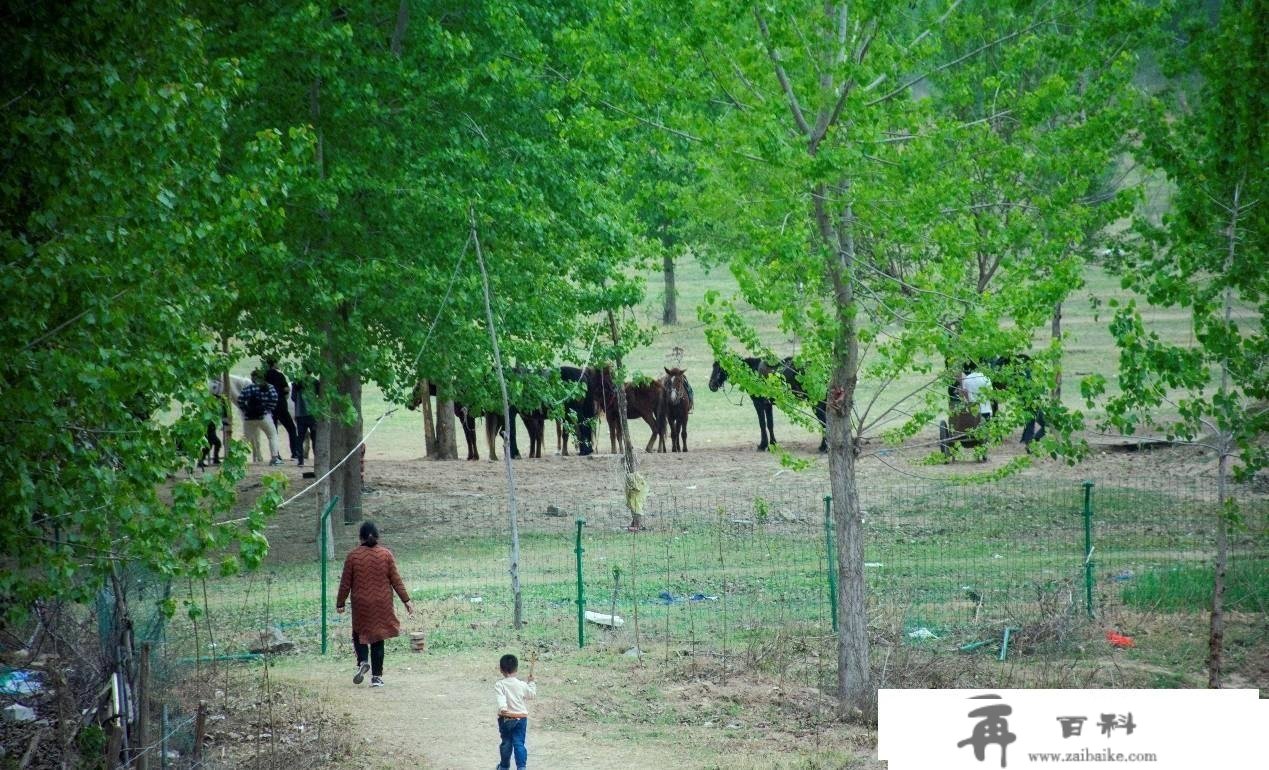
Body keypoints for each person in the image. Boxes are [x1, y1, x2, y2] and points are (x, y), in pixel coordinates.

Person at [336, 521, 412, 688]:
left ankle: (363, 661)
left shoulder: (353, 556)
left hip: (361, 603)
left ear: (360, 537)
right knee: (378, 637)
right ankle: (376, 677)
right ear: (377, 536)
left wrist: (340, 602)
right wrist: (406, 600)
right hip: (382, 602)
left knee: (359, 633)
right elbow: (396, 581)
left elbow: (345, 583)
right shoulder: (386, 555)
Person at [494, 653, 536, 770]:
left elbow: (501, 698)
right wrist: (531, 682)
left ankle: (504, 766)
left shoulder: (500, 684)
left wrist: (503, 708)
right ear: (516, 669)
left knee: (506, 743)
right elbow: (531, 694)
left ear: (501, 670)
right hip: (521, 718)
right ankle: (521, 767)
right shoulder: (522, 685)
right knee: (519, 743)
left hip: (506, 718)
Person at [237, 370, 283, 465]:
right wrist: (267, 408)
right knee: (272, 435)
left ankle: (238, 458)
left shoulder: (248, 388)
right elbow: (274, 399)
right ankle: (274, 458)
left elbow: (240, 400)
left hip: (249, 418)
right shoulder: (269, 387)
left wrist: (246, 410)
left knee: (246, 438)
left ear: (253, 378)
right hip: (264, 416)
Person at [265, 359, 299, 461]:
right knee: (291, 428)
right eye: (277, 362)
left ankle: (276, 455)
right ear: (274, 363)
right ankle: (294, 453)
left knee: (274, 432)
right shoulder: (279, 375)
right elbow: (286, 389)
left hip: (270, 406)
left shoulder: (265, 376)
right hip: (280, 405)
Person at [292, 376, 317, 466]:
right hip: (313, 413)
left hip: (300, 413)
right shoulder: (315, 381)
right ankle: (317, 459)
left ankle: (300, 460)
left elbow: (293, 398)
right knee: (315, 437)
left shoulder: (296, 383)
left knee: (300, 438)